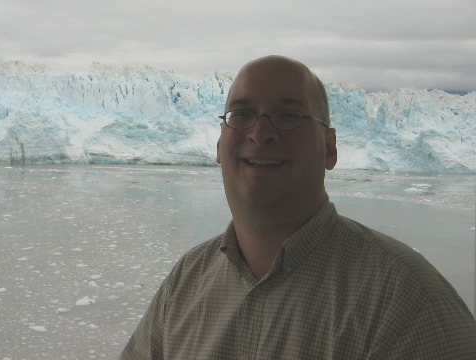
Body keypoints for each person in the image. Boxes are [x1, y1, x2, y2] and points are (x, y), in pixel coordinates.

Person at [120, 55, 476, 359]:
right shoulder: (187, 280)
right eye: (241, 114)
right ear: (218, 145)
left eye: (289, 116)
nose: (260, 133)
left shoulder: (405, 300)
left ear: (330, 148)